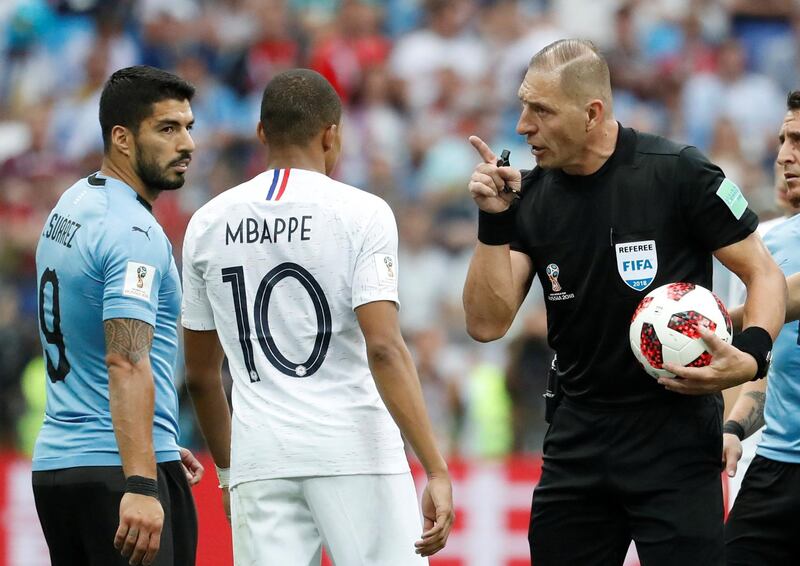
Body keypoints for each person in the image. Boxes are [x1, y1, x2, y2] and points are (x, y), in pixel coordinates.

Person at [462, 39, 786, 566]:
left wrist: (751, 353)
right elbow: (485, 322)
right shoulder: (533, 197)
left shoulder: (678, 171)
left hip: (675, 440)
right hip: (577, 439)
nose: (522, 125)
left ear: (592, 113)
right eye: (523, 106)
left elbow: (762, 273)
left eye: (540, 109)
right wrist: (494, 222)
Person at [181, 68, 454, 565]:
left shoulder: (207, 223)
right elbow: (385, 347)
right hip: (354, 447)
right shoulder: (362, 213)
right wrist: (434, 466)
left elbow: (200, 374)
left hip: (261, 457)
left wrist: (229, 472)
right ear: (333, 134)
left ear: (262, 134)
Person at [32, 66, 204, 566]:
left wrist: (159, 437)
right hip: (118, 478)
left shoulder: (74, 201)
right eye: (168, 129)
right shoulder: (135, 235)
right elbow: (125, 361)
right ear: (122, 139)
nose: (188, 144)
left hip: (61, 470)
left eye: (189, 126)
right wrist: (142, 480)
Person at [723, 90, 800, 565]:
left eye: (798, 140)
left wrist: (690, 316)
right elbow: (760, 366)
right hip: (775, 469)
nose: (783, 155)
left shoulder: (769, 274)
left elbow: (783, 301)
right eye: (781, 140)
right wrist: (733, 427)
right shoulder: (769, 244)